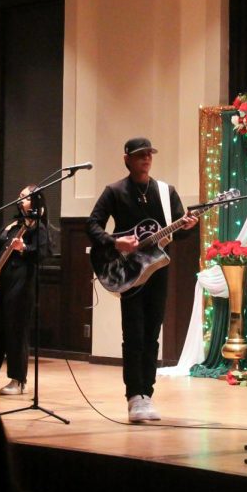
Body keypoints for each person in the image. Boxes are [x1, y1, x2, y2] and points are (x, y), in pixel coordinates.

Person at [87, 137, 198, 422]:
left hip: (158, 270)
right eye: (140, 155)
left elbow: (178, 232)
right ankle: (133, 395)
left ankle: (147, 394)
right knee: (133, 334)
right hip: (129, 271)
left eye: (149, 154)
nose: (146, 159)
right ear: (127, 159)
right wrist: (115, 242)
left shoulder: (165, 191)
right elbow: (92, 225)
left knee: (151, 334)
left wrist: (188, 226)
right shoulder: (115, 191)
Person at [0, 185, 51, 395]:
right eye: (20, 197)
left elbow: (43, 254)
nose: (20, 200)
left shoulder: (38, 228)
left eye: (24, 197)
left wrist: (23, 248)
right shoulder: (11, 226)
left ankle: (18, 380)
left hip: (20, 285)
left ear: (35, 202)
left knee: (15, 331)